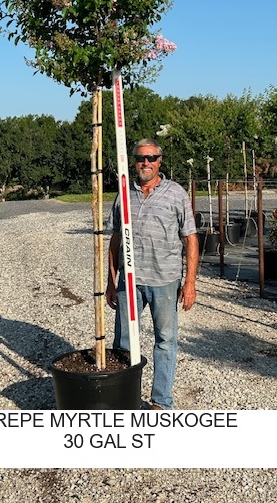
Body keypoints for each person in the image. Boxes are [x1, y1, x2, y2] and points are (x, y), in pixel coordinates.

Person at [106, 137, 198, 410]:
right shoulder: (124, 193)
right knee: (123, 341)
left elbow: (190, 238)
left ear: (160, 161)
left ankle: (161, 401)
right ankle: (124, 397)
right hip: (129, 282)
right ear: (133, 162)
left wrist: (190, 282)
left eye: (151, 158)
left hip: (164, 281)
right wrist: (111, 281)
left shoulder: (176, 193)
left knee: (165, 341)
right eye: (140, 158)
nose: (146, 163)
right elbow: (114, 239)